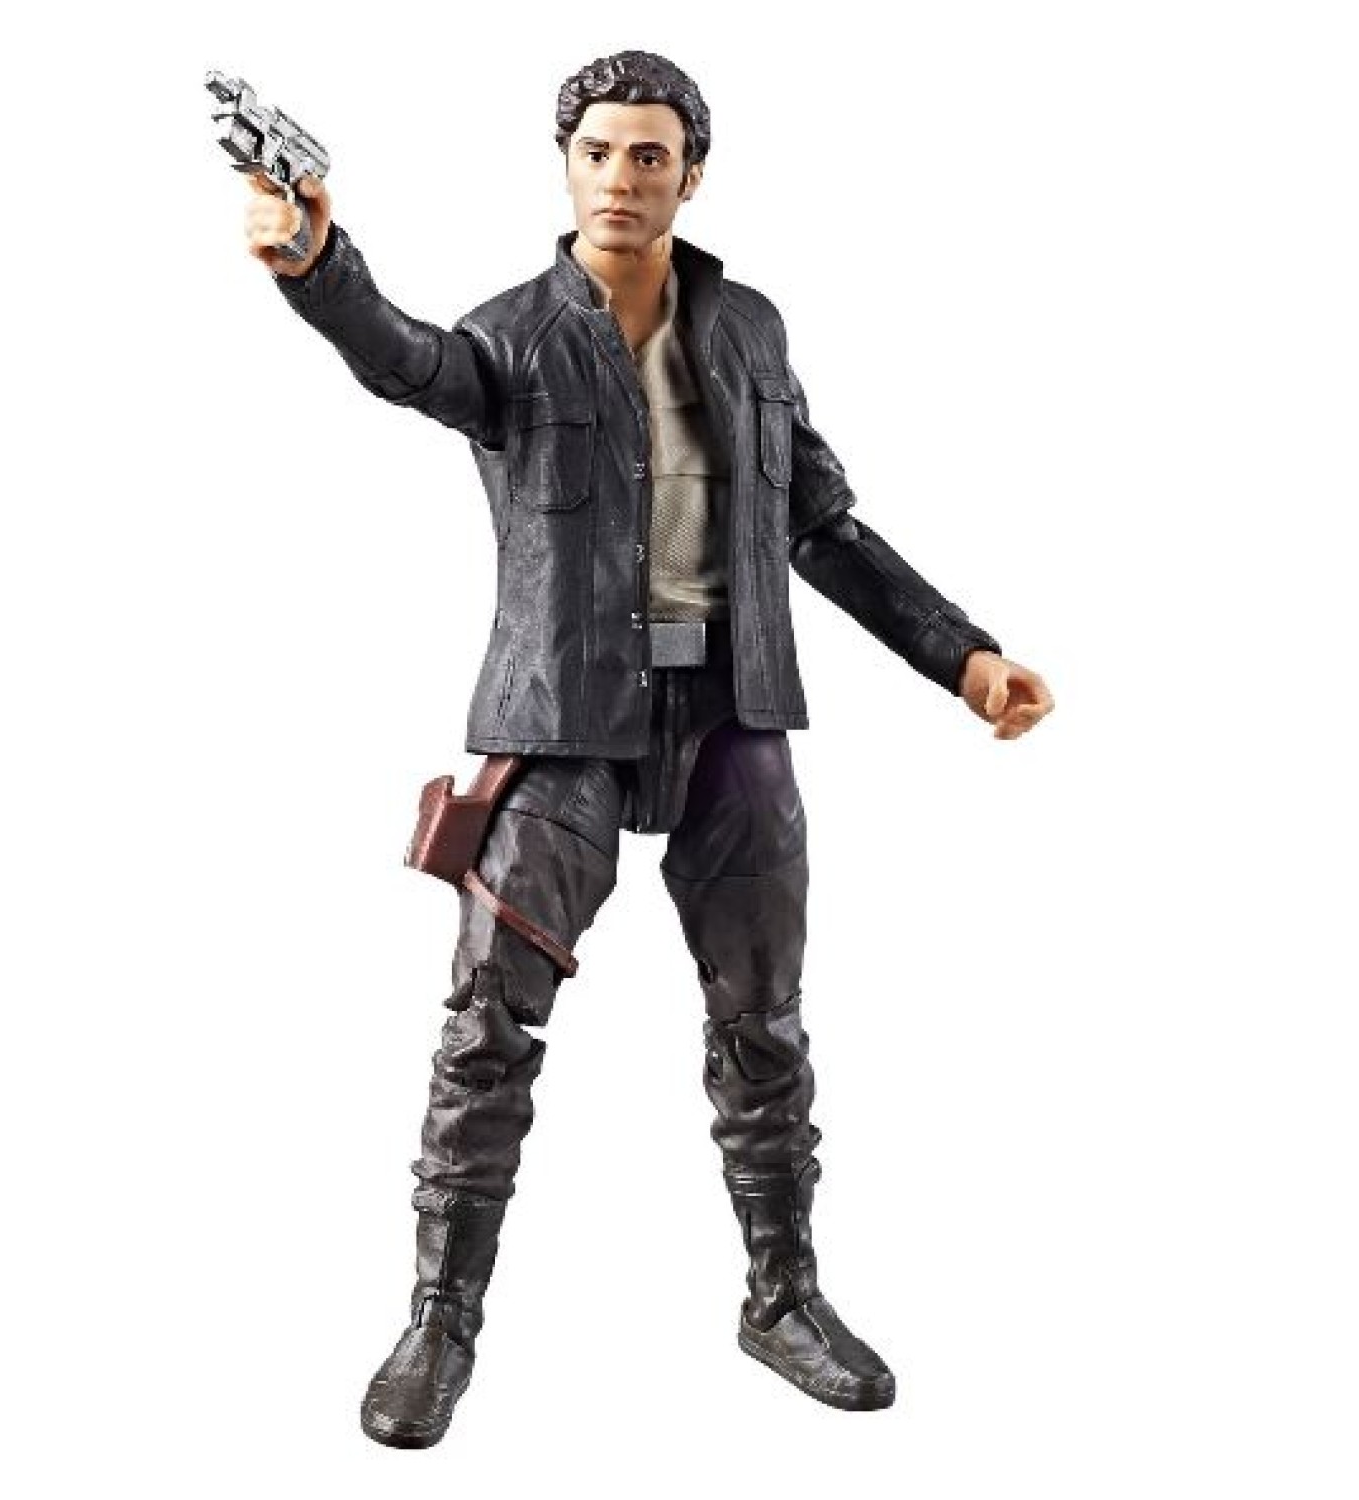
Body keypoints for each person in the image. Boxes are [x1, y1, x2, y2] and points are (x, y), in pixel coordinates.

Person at [242, 50, 1053, 1449]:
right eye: (599, 152)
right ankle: (440, 1318)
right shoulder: (512, 336)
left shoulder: (750, 331)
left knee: (764, 1020)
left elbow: (819, 525)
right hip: (562, 717)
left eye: (650, 155)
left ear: (692, 174)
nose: (621, 178)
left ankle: (782, 1297)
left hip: (731, 707)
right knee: (487, 1025)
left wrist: (962, 656)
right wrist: (318, 263)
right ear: (566, 166)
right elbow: (404, 358)